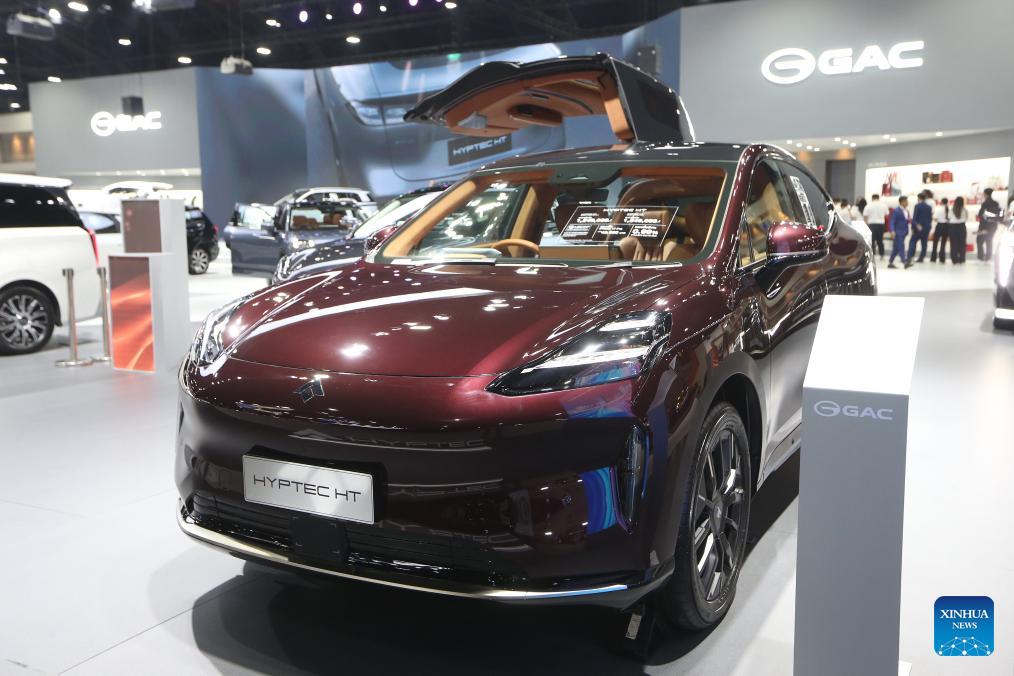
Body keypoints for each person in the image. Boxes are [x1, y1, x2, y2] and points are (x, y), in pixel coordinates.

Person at [976, 187, 1002, 261]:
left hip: (984, 225)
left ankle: (981, 256)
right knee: (989, 240)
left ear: (985, 194)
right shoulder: (996, 203)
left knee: (979, 240)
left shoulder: (985, 204)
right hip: (993, 225)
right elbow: (998, 214)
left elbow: (981, 214)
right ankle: (988, 257)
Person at [908, 191, 932, 263]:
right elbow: (930, 218)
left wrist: (913, 227)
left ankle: (910, 256)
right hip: (926, 227)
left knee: (913, 242)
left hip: (918, 227)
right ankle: (921, 258)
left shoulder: (917, 206)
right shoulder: (929, 207)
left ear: (918, 198)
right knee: (924, 243)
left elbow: (915, 217)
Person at [888, 195, 911, 269]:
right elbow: (892, 221)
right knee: (901, 246)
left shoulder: (906, 210)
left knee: (896, 249)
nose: (907, 202)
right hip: (898, 232)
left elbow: (908, 220)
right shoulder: (896, 211)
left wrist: (916, 225)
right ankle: (905, 262)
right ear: (902, 202)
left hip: (904, 232)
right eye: (906, 201)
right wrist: (892, 230)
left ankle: (890, 262)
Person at [864, 193, 888, 258]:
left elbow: (865, 216)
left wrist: (866, 225)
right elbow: (887, 214)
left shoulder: (868, 205)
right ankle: (882, 255)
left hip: (872, 224)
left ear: (872, 198)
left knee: (872, 240)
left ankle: (872, 255)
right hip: (881, 224)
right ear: (878, 198)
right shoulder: (883, 205)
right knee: (880, 240)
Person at [930, 197, 950, 263]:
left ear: (941, 202)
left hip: (939, 226)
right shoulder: (949, 209)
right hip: (946, 226)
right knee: (943, 243)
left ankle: (933, 258)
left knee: (935, 242)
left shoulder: (938, 209)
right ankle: (942, 258)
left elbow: (935, 218)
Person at [949, 196, 968, 264]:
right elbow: (966, 218)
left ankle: (954, 259)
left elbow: (949, 217)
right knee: (962, 244)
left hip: (953, 227)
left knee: (953, 244)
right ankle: (961, 259)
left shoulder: (952, 209)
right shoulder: (964, 210)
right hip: (962, 226)